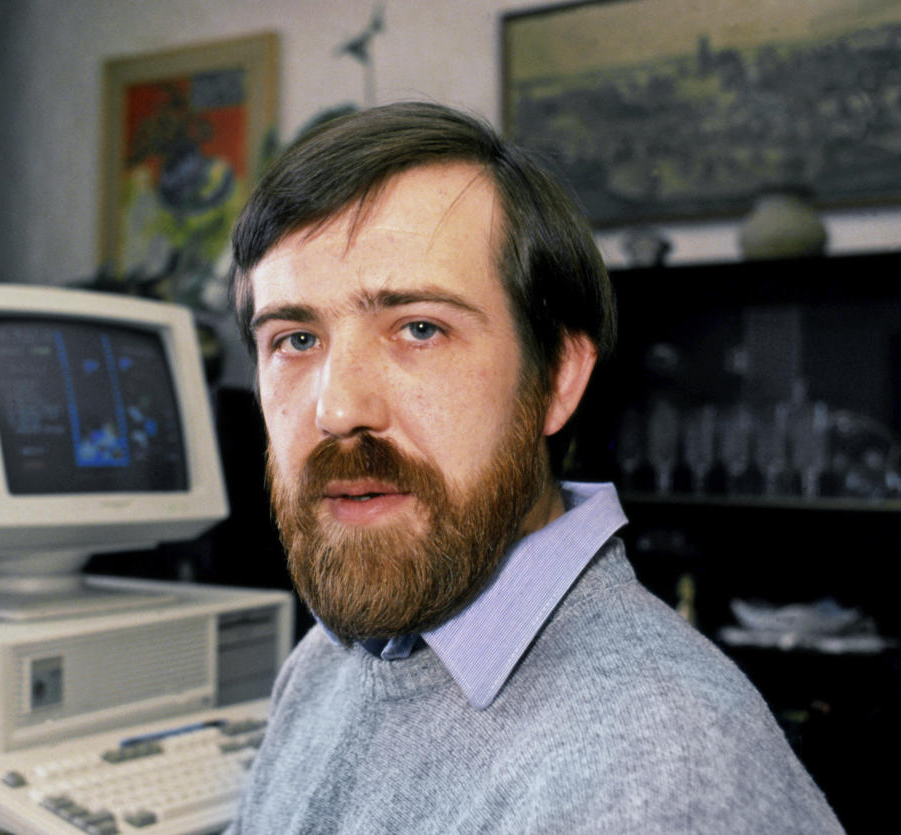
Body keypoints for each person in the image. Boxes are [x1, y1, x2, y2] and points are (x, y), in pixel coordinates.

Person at [223, 102, 842, 833]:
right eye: (294, 339)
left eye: (419, 328)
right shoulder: (330, 656)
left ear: (555, 377)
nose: (337, 408)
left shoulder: (659, 773)